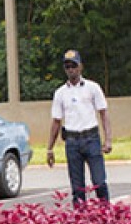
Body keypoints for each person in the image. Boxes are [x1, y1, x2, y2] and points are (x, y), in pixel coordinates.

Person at [45, 49, 112, 204]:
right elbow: (56, 121)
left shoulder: (92, 88)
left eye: (73, 66)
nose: (70, 70)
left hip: (91, 138)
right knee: (77, 188)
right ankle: (81, 222)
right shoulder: (60, 93)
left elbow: (103, 113)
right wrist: (50, 148)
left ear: (80, 67)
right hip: (72, 142)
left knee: (100, 182)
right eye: (67, 66)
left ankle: (106, 217)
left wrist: (108, 140)